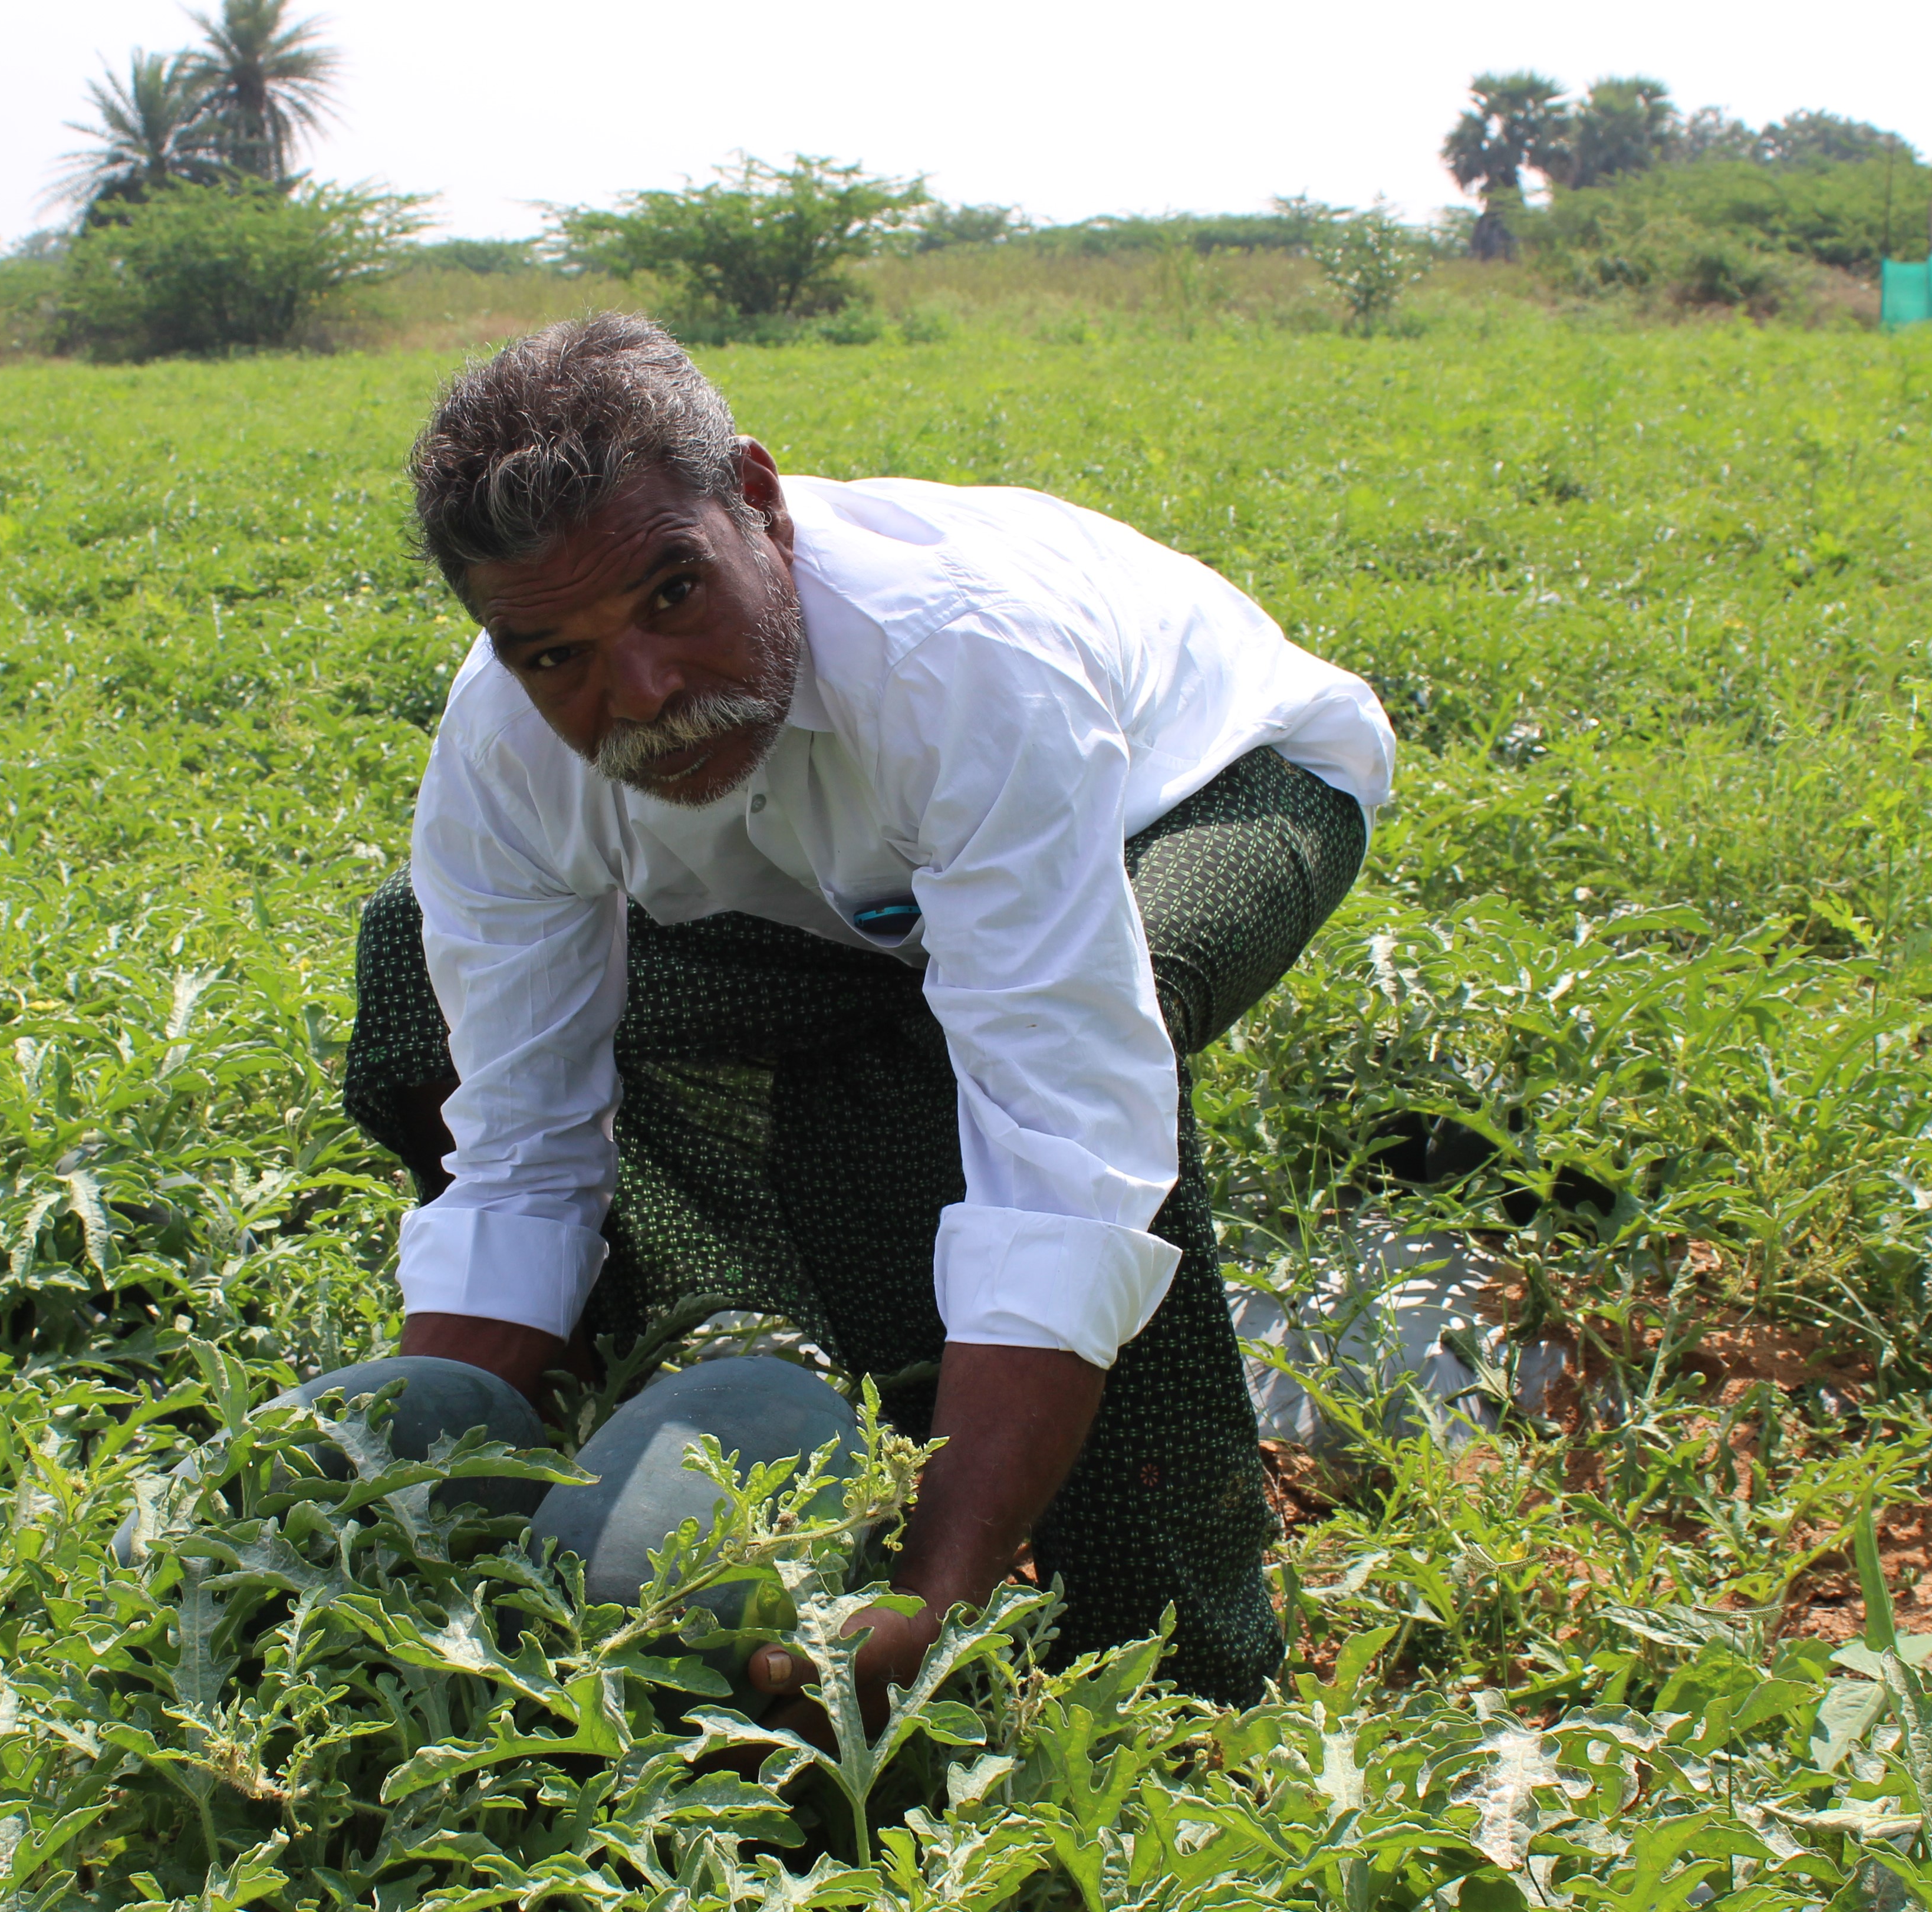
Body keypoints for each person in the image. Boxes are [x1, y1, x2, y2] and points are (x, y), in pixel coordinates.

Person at [335, 314, 1394, 1728]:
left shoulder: (961, 664)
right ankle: (659, 1371)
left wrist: (930, 1602)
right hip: (850, 903)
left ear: (761, 506)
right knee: (415, 952)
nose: (639, 695)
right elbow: (524, 1144)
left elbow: (1065, 1160)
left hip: (1210, 789)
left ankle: (1179, 1663)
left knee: (1064, 1059)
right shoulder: (511, 747)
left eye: (671, 596)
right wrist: (425, 1493)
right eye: (556, 658)